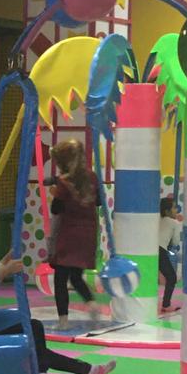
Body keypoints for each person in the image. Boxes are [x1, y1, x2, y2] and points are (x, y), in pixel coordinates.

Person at [46, 139, 105, 330]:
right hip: (88, 233)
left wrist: (56, 192)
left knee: (61, 278)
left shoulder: (64, 182)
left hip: (68, 233)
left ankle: (63, 321)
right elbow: (99, 202)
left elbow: (56, 209)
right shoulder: (92, 177)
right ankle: (92, 304)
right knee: (76, 276)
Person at [157, 196, 182, 314]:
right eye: (174, 208)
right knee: (171, 277)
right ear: (167, 211)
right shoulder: (174, 223)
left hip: (150, 250)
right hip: (160, 250)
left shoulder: (157, 219)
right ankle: (166, 304)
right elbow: (176, 242)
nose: (176, 210)